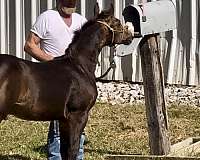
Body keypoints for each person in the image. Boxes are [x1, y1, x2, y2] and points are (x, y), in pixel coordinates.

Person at [24, 0, 87, 159]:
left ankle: (76, 155)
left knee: (77, 121)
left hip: (77, 79)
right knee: (59, 124)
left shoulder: (81, 21)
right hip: (54, 76)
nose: (70, 7)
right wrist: (52, 61)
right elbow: (30, 45)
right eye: (67, 3)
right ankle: (55, 157)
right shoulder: (47, 17)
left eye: (73, 4)